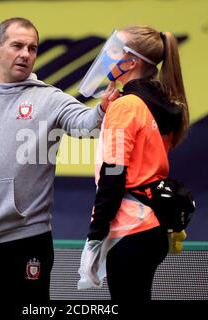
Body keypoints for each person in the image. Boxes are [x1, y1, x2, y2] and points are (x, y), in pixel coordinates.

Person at [0, 17, 118, 301]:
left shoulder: (50, 99)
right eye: (17, 45)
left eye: (32, 48)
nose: (25, 54)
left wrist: (103, 109)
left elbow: (88, 125)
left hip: (27, 242)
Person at [78, 25, 190, 301]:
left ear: (133, 61)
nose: (108, 55)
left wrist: (95, 234)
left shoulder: (126, 106)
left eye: (116, 50)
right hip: (153, 229)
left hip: (130, 228)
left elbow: (114, 172)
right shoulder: (159, 102)